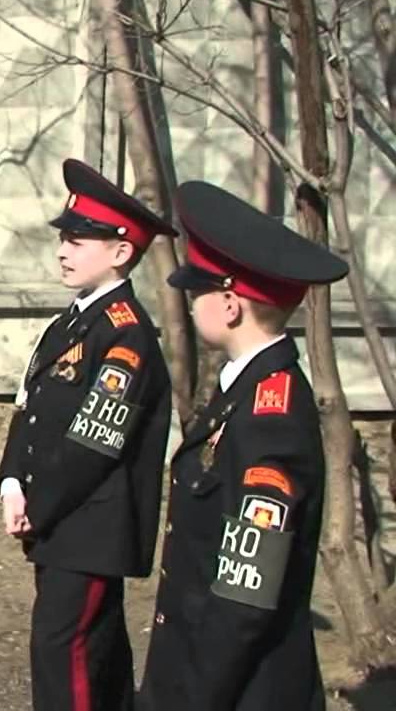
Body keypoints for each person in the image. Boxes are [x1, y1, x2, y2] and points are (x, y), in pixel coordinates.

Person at [138, 181, 348, 711]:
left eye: (199, 293)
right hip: (201, 666)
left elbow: (245, 594)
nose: (192, 304)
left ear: (230, 305)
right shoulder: (243, 392)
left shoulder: (269, 419)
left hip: (236, 689)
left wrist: (194, 697)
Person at [0, 158, 175, 711]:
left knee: (64, 652)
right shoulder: (68, 324)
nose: (62, 251)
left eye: (78, 241)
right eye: (63, 239)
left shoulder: (126, 335)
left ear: (120, 252)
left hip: (91, 525)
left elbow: (95, 442)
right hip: (62, 521)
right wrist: (11, 482)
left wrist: (40, 503)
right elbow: (29, 408)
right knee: (97, 652)